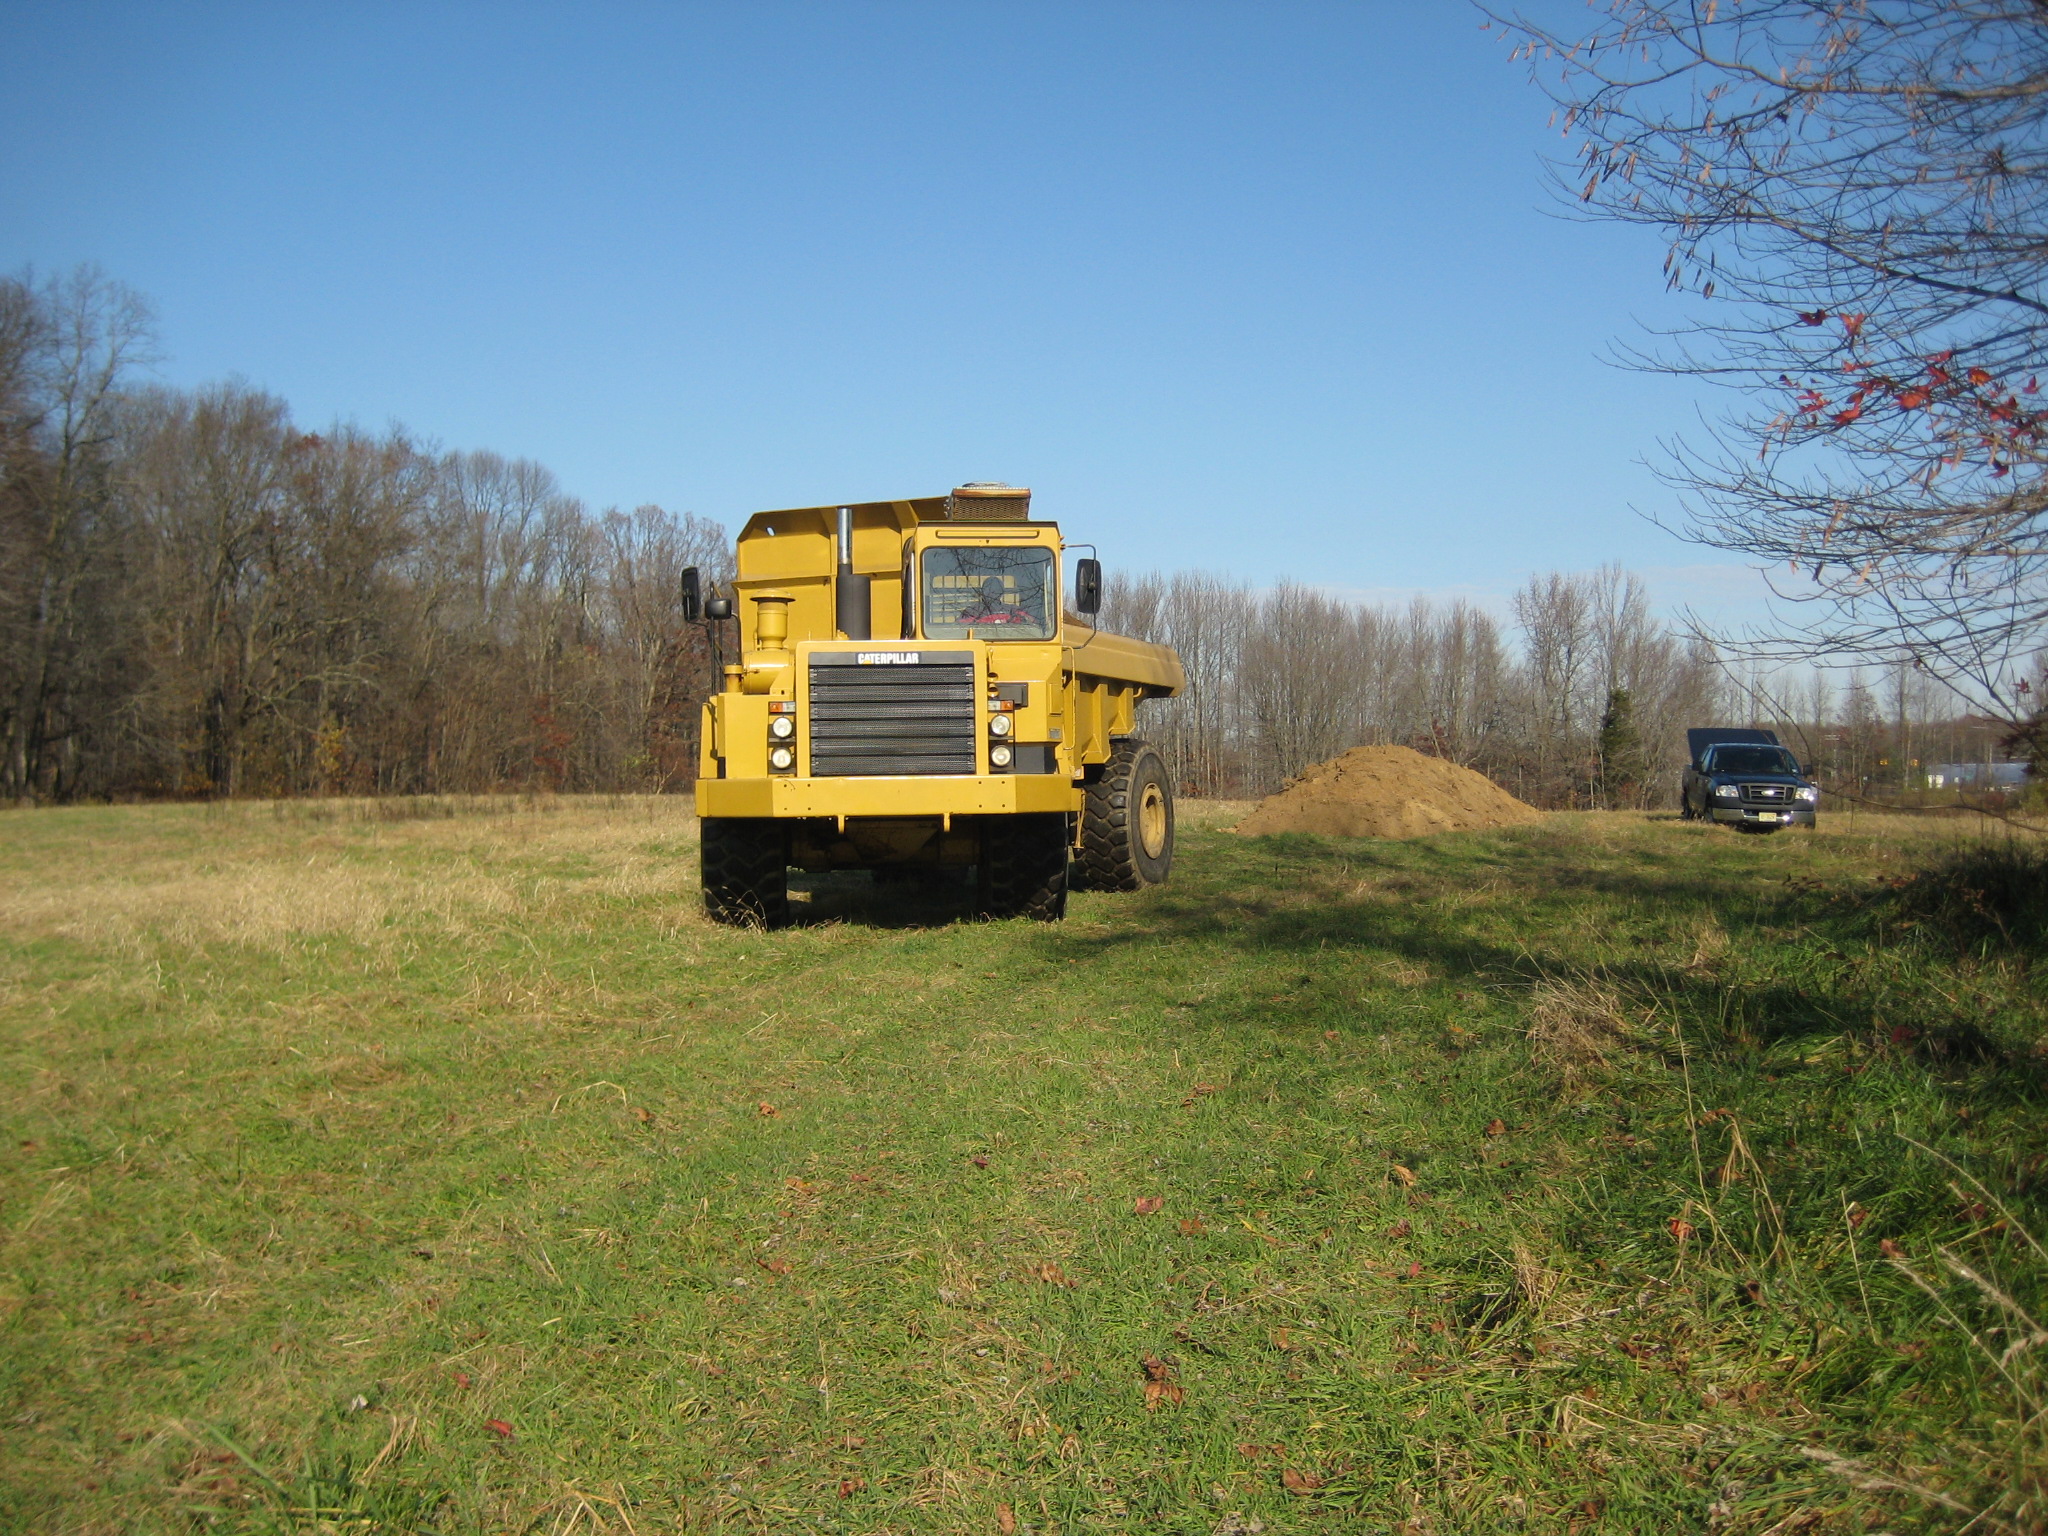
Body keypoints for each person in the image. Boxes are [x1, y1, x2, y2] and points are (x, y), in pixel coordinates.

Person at [958, 575, 1028, 624]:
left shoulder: (1013, 610)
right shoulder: (971, 611)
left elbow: (1030, 624)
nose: (992, 592)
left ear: (1001, 592)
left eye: (996, 590)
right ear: (983, 592)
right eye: (989, 590)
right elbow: (960, 629)